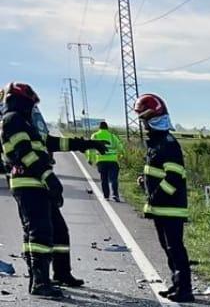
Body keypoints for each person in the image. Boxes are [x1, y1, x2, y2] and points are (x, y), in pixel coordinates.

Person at [0, 82, 107, 295]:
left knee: (58, 231)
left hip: (38, 183)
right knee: (38, 233)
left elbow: (52, 143)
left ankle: (61, 273)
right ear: (20, 101)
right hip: (28, 184)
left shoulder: (26, 123)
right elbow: (25, 154)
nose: (32, 108)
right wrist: (49, 177)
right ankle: (39, 282)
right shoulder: (13, 120)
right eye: (30, 104)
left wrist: (87, 144)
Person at [135, 93, 192, 302]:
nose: (145, 125)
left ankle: (184, 290)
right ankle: (177, 285)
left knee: (175, 248)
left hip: (170, 208)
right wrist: (145, 181)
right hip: (162, 207)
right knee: (168, 248)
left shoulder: (167, 143)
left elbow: (174, 177)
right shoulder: (157, 142)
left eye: (146, 119)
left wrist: (156, 196)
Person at [89, 120, 123, 200]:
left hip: (101, 161)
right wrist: (121, 155)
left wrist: (90, 159)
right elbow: (120, 147)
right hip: (113, 161)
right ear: (107, 128)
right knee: (114, 179)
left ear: (99, 128)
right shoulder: (112, 136)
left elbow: (91, 149)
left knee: (104, 179)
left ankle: (106, 196)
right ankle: (115, 194)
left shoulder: (95, 136)